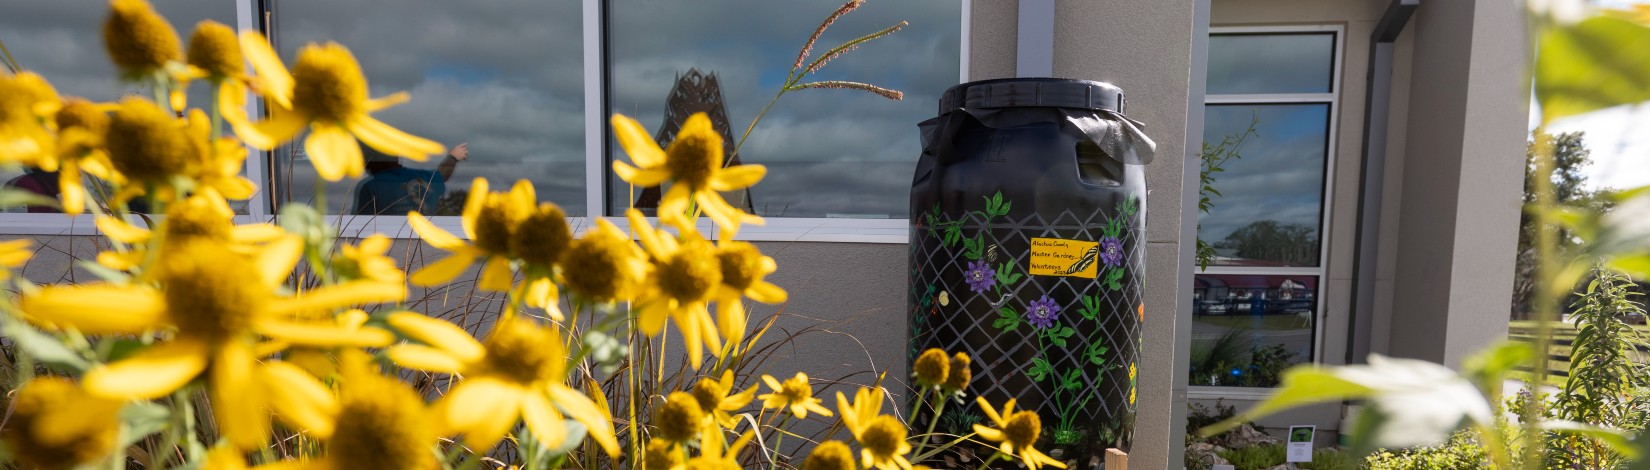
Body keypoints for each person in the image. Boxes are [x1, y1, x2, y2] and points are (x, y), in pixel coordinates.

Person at [352, 142, 467, 216]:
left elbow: (360, 226)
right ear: (396, 158)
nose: (364, 164)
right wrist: (453, 157)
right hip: (428, 239)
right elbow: (443, 174)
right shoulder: (428, 177)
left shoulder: (370, 186)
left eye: (365, 158)